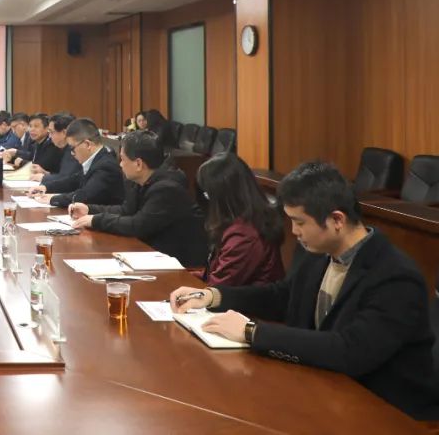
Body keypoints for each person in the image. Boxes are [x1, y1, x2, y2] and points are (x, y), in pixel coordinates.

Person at [170, 161, 438, 420]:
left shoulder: (396, 276)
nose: (294, 231)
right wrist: (214, 296)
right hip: (323, 390)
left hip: (384, 412)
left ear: (337, 220)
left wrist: (252, 332)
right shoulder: (317, 253)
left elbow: (350, 350)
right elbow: (283, 296)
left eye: (299, 222)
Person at [69, 130, 206, 267]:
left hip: (182, 266)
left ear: (139, 164)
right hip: (153, 254)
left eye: (123, 159)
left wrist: (95, 220)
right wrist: (89, 210)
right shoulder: (141, 180)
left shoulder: (167, 188)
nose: (120, 164)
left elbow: (137, 225)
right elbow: (126, 210)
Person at [196, 152, 284, 286]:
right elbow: (213, 274)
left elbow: (219, 286)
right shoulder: (244, 220)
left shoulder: (244, 235)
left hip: (245, 299)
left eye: (208, 194)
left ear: (223, 196)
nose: (206, 200)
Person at [37, 118, 124, 208]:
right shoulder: (97, 159)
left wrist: (53, 199)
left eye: (72, 148)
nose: (72, 153)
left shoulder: (106, 166)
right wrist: (46, 187)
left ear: (87, 144)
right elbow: (74, 180)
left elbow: (85, 195)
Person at [30, 113, 80, 193]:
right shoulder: (63, 148)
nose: (49, 136)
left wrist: (44, 177)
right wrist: (46, 173)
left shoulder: (73, 150)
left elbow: (66, 178)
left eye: (51, 132)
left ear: (64, 133)